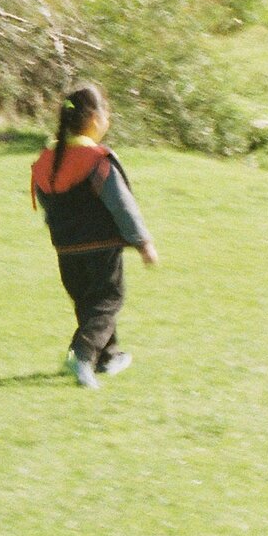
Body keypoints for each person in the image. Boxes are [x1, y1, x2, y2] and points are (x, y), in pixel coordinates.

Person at [30, 83, 158, 388]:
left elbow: (47, 203)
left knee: (89, 305)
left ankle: (107, 357)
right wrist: (143, 242)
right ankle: (83, 354)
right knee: (108, 300)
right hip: (101, 248)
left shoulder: (46, 161)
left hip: (65, 250)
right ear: (95, 119)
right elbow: (122, 205)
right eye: (107, 113)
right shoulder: (96, 160)